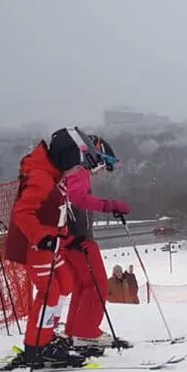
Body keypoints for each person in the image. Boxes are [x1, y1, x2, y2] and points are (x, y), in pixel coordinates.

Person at [5, 128, 128, 366]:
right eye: (77, 165)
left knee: (65, 285)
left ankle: (47, 337)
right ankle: (36, 345)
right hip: (38, 246)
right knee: (50, 292)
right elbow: (23, 213)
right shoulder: (42, 177)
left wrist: (67, 238)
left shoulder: (55, 175)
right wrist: (42, 237)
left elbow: (60, 214)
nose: (79, 171)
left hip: (55, 242)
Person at [54, 128, 130, 348]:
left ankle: (76, 330)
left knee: (83, 284)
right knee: (96, 283)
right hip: (79, 237)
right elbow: (78, 198)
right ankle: (86, 332)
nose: (98, 171)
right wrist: (110, 205)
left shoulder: (70, 170)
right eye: (100, 164)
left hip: (70, 237)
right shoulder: (79, 171)